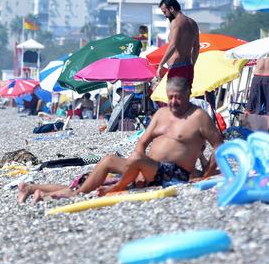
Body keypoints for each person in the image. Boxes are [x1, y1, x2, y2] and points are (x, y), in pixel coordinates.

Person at [20, 77, 222, 202]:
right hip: (146, 168)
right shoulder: (161, 114)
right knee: (107, 161)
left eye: (178, 97)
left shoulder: (198, 117)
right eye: (170, 97)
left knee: (132, 163)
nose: (173, 102)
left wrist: (207, 175)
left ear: (188, 94)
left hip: (174, 174)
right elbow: (142, 143)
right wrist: (139, 170)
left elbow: (219, 147)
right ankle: (36, 189)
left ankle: (106, 189)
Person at [156, 0, 200, 88]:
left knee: (174, 94)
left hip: (176, 66)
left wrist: (161, 64)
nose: (165, 15)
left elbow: (173, 45)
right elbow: (196, 47)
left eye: (165, 12)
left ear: (171, 9)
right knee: (185, 94)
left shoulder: (176, 22)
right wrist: (192, 65)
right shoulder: (193, 23)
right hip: (188, 67)